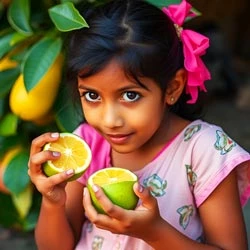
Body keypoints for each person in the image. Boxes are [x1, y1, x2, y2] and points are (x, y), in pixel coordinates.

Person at [28, 0, 250, 249]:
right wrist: (52, 201)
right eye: (92, 96)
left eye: (130, 95)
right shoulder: (88, 145)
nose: (110, 120)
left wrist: (155, 232)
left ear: (173, 88)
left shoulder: (205, 152)